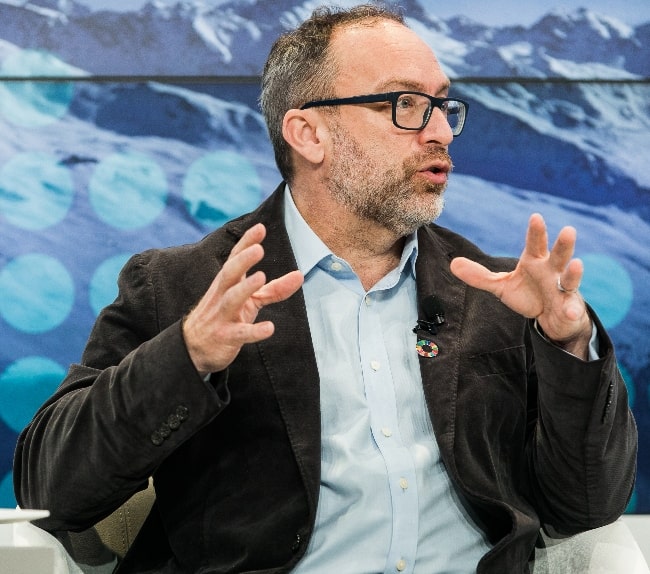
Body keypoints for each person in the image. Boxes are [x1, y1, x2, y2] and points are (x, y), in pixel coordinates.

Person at [14, 4, 637, 574]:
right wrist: (188, 356)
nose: (441, 132)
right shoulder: (183, 287)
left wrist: (568, 345)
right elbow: (51, 490)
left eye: (443, 107)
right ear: (309, 134)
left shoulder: (497, 292)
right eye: (404, 104)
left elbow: (586, 507)